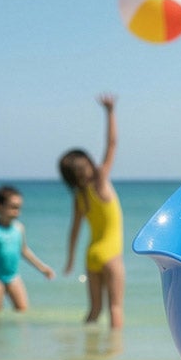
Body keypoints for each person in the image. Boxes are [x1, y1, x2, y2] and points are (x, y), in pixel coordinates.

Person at [58, 93, 126, 329]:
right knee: (115, 308)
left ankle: (87, 354)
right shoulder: (100, 182)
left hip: (91, 256)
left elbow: (74, 232)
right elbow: (112, 145)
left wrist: (69, 261)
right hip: (110, 254)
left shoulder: (80, 197)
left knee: (94, 311)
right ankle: (113, 356)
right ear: (89, 164)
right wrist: (110, 113)